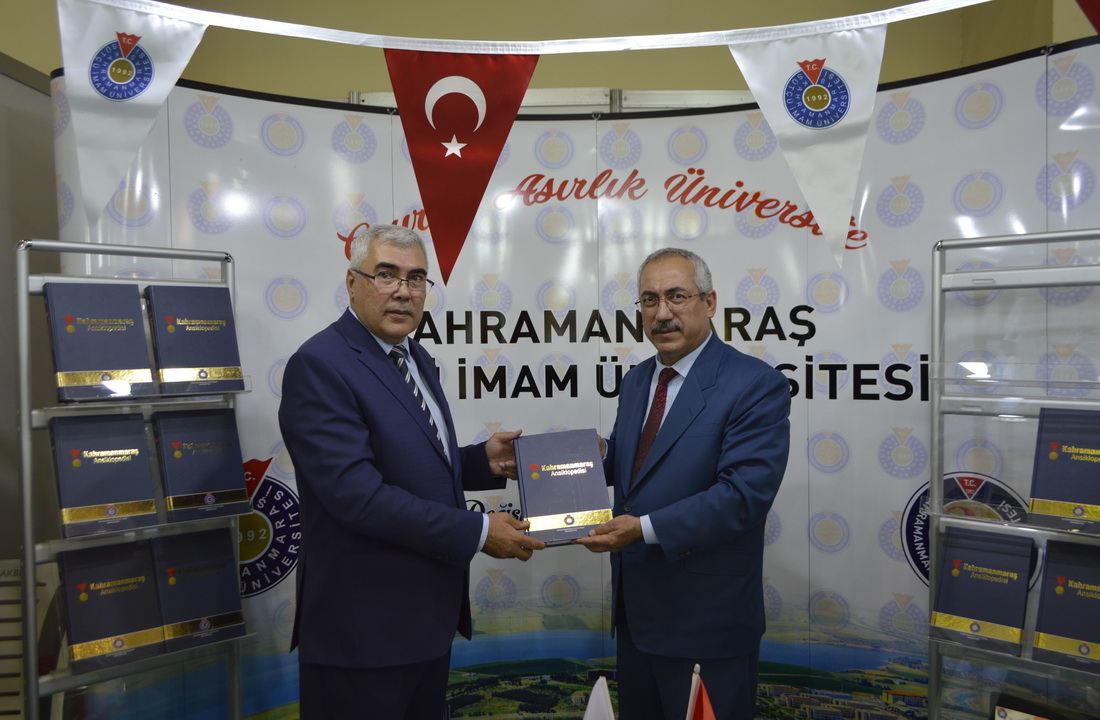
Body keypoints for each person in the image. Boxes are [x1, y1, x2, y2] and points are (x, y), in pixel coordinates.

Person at [278, 224, 546, 720]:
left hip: (423, 625)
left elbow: (409, 463)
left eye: (416, 278)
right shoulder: (321, 365)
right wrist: (479, 531)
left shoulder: (413, 355)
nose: (403, 291)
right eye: (386, 275)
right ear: (353, 282)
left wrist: (480, 462)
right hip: (363, 636)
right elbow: (358, 498)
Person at [575, 247, 791, 720]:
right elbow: (637, 465)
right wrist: (581, 459)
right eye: (649, 300)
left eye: (677, 296)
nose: (662, 313)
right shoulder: (638, 380)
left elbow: (743, 496)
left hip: (707, 624)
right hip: (636, 619)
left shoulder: (755, 384)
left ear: (709, 303)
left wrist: (642, 529)